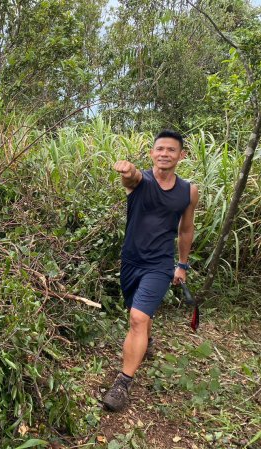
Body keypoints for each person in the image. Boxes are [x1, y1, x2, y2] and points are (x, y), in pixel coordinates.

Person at [102, 130, 199, 412]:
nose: (164, 154)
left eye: (171, 150)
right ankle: (148, 342)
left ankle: (123, 383)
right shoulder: (140, 181)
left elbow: (186, 228)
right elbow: (130, 178)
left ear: (181, 155)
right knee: (139, 316)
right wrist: (127, 170)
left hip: (160, 264)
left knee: (137, 317)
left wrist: (182, 265)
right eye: (160, 149)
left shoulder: (188, 191)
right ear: (152, 153)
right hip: (130, 261)